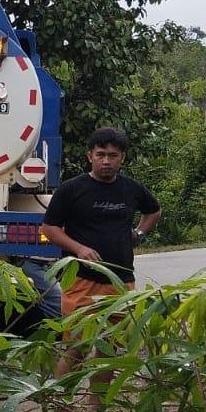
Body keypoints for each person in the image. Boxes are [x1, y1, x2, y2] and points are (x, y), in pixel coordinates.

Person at [42, 127, 161, 381]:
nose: (106, 161)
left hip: (120, 278)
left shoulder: (131, 189)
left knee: (109, 348)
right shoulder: (72, 189)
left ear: (122, 158)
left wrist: (138, 233)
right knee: (77, 347)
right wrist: (79, 249)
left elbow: (154, 211)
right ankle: (61, 408)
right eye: (100, 155)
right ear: (89, 156)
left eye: (112, 155)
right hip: (81, 279)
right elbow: (49, 228)